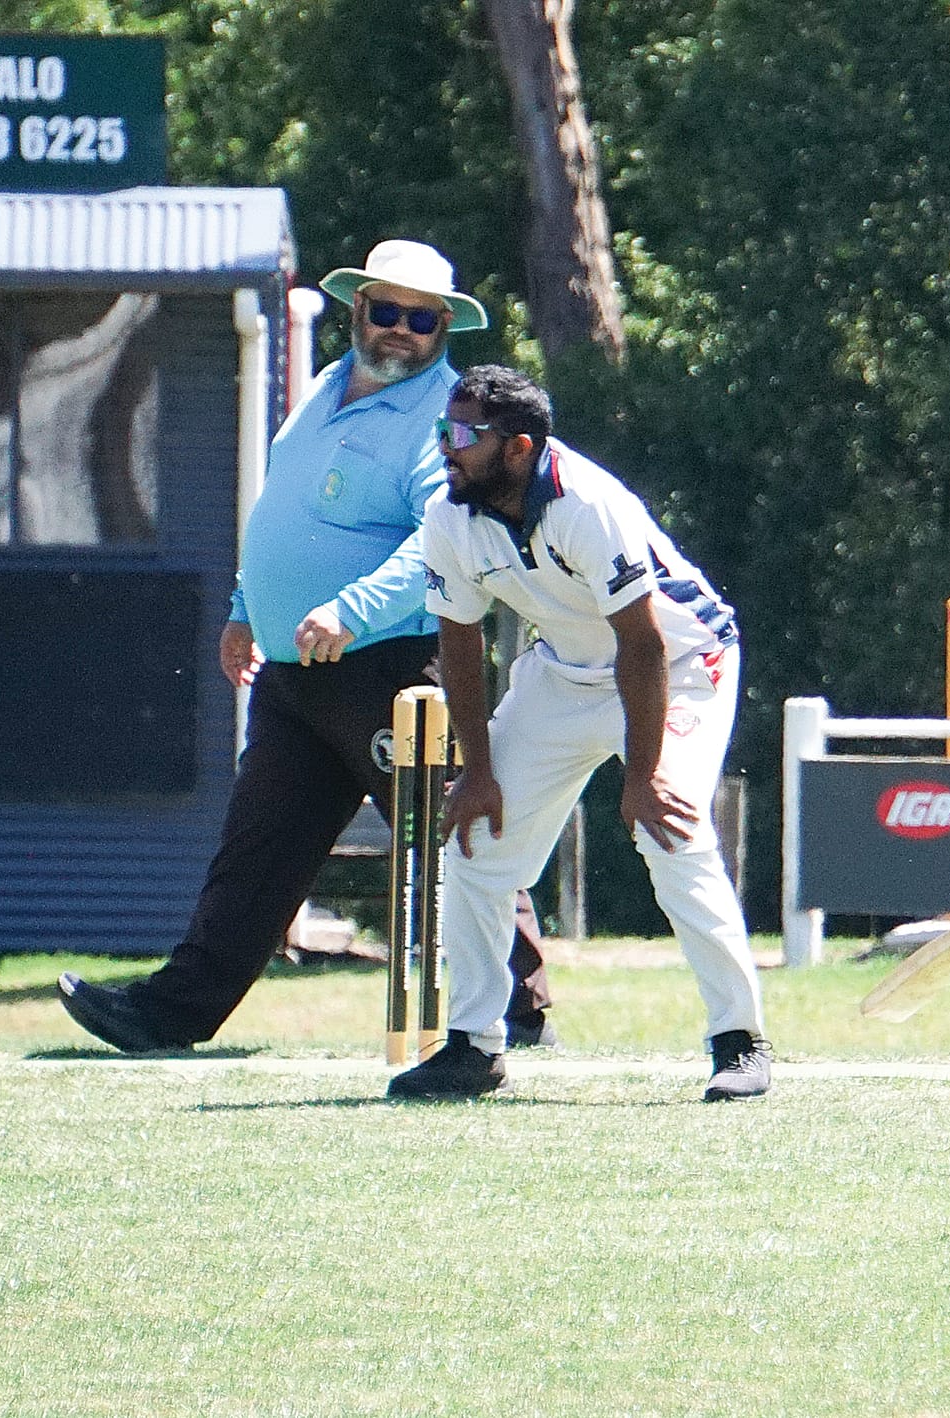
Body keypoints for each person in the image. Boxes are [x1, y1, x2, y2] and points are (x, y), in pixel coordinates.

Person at [57, 240, 557, 1053]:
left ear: (443, 327)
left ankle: (522, 1011)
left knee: (450, 834)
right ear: (358, 308)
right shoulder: (325, 387)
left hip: (393, 668)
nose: (402, 330)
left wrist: (350, 613)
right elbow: (282, 512)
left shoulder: (445, 417)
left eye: (422, 318)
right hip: (296, 674)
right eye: (387, 311)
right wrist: (246, 608)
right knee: (255, 852)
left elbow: (439, 542)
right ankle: (171, 1014)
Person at [384, 364, 771, 1101]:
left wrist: (643, 774)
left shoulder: (587, 503)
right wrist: (479, 769)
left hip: (682, 663)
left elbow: (645, 644)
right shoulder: (447, 515)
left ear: (520, 447)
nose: (446, 448)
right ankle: (473, 1046)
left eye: (463, 435)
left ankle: (739, 1041)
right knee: (475, 842)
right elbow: (461, 645)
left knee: (672, 835)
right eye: (443, 430)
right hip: (563, 673)